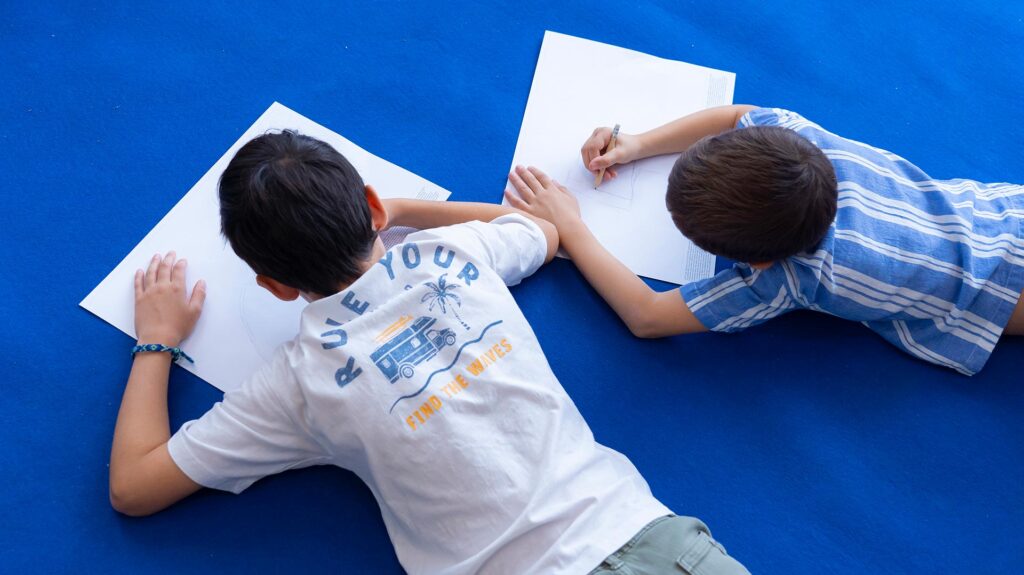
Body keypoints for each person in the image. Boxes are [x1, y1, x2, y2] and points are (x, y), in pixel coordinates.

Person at [108, 130, 750, 574]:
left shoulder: (298, 385)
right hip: (652, 538)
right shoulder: (455, 253)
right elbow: (544, 233)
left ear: (273, 286)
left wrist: (156, 342)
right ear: (371, 207)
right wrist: (399, 213)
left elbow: (134, 487)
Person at [506, 105, 1024, 375]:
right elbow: (737, 116)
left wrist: (572, 226)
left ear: (755, 260)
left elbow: (647, 316)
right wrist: (637, 144)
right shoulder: (800, 142)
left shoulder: (788, 279)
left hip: (991, 293)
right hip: (1001, 217)